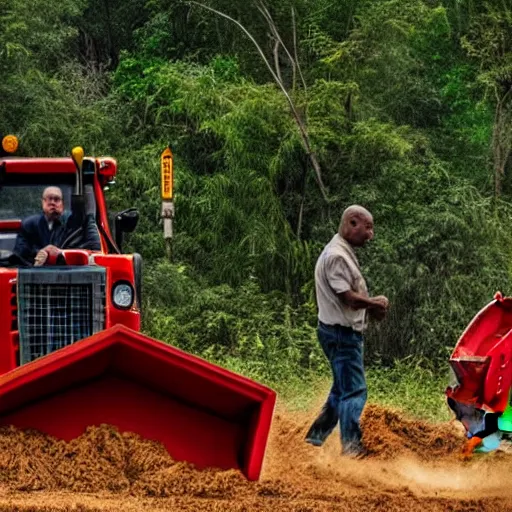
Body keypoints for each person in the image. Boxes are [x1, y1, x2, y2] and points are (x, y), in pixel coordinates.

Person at [305, 205, 389, 457]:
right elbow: (348, 298)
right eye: (368, 228)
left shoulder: (341, 251)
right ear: (352, 223)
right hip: (341, 335)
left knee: (342, 389)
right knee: (354, 390)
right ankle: (352, 447)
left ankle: (315, 438)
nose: (371, 234)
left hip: (337, 332)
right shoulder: (336, 256)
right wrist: (375, 303)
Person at [13, 186, 101, 265]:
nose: (52, 203)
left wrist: (59, 253)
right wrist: (40, 253)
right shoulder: (29, 224)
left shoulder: (73, 225)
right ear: (43, 202)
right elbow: (20, 253)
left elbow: (92, 249)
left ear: (62, 204)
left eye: (56, 199)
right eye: (49, 199)